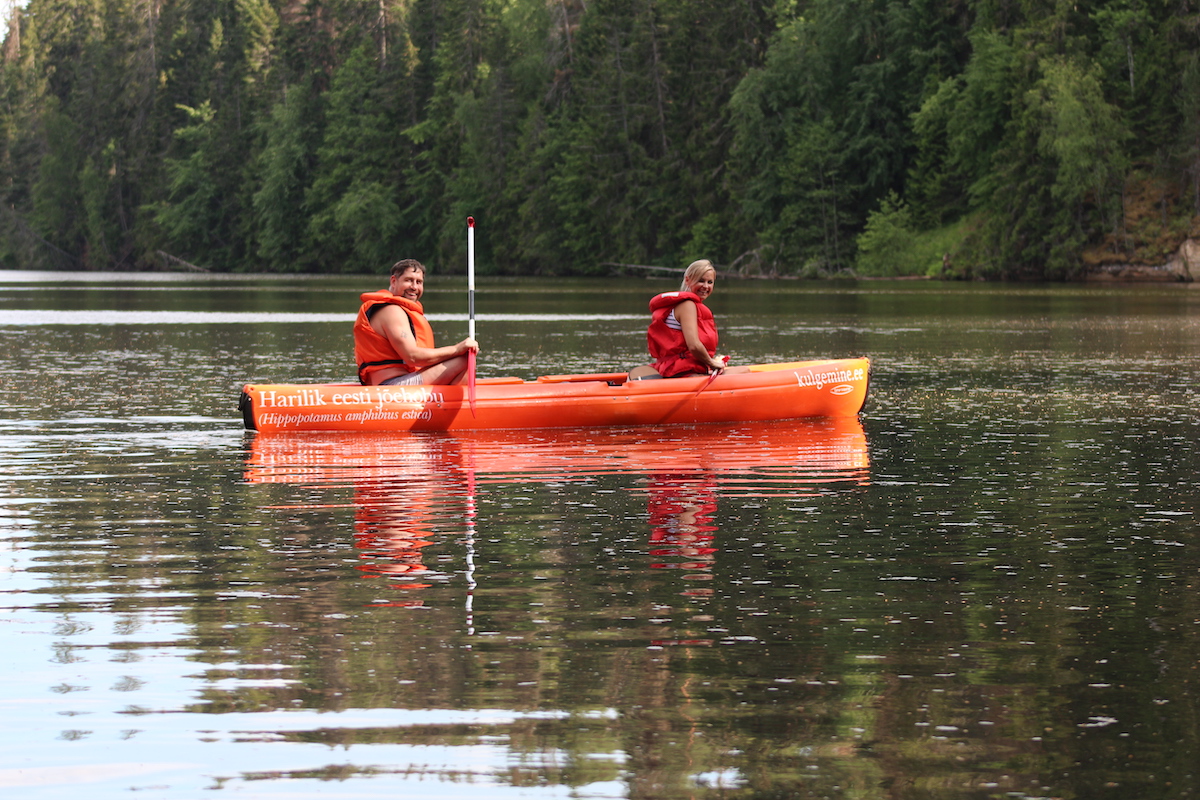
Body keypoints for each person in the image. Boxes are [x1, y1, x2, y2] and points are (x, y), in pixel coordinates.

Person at [354, 258, 479, 386]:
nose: (414, 287)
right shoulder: (391, 311)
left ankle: (448, 401)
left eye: (419, 282)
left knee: (463, 357)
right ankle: (456, 403)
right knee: (464, 360)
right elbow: (412, 357)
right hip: (390, 386)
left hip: (401, 380)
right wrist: (457, 349)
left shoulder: (399, 310)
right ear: (393, 281)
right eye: (408, 280)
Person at [630, 259, 749, 380]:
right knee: (745, 371)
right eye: (701, 281)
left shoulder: (681, 305)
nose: (706, 286)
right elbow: (694, 346)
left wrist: (710, 361)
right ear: (688, 280)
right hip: (680, 371)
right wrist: (712, 363)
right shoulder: (687, 305)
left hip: (673, 368)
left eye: (710, 282)